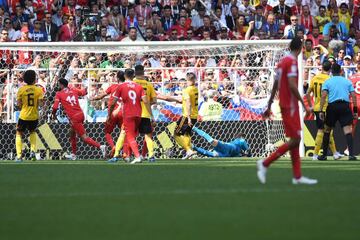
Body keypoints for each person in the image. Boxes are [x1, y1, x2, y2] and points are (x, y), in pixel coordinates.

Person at [258, 37, 318, 185]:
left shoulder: (281, 62)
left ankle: (297, 176)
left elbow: (275, 85)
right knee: (296, 139)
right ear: (301, 47)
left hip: (283, 104)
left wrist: (270, 103)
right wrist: (303, 106)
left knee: (295, 141)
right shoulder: (291, 62)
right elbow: (292, 85)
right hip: (290, 105)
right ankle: (265, 163)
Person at [52, 78, 106, 160]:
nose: (58, 85)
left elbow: (55, 107)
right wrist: (87, 87)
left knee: (84, 138)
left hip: (74, 117)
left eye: (58, 84)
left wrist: (53, 114)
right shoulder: (73, 90)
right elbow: (84, 92)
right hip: (81, 114)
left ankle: (101, 146)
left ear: (61, 85)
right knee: (71, 133)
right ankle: (73, 154)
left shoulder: (59, 94)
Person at [108, 68, 152, 164]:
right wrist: (151, 114)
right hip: (138, 114)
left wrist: (110, 114)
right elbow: (146, 101)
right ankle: (127, 155)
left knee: (129, 135)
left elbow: (113, 102)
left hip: (128, 114)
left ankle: (136, 156)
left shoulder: (121, 86)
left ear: (124, 76)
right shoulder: (139, 87)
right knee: (130, 135)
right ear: (133, 76)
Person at [318, 63, 358, 161]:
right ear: (341, 71)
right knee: (348, 131)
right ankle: (351, 155)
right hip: (344, 106)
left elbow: (323, 96)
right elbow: (353, 96)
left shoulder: (328, 81)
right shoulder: (347, 81)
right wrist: (355, 110)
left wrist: (321, 110)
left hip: (332, 107)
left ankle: (324, 155)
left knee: (327, 130)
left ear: (331, 71)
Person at [305, 61, 342, 160]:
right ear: (330, 69)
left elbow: (307, 93)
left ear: (321, 67)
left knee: (325, 130)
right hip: (327, 107)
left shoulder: (314, 78)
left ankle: (334, 153)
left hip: (317, 108)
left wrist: (311, 105)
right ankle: (316, 154)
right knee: (325, 130)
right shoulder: (330, 79)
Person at [158, 73, 198, 159]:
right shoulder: (195, 89)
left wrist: (188, 117)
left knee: (176, 134)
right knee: (187, 134)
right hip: (195, 115)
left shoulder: (187, 90)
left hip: (187, 116)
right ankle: (190, 154)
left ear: (187, 80)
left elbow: (188, 103)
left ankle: (188, 150)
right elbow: (185, 101)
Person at [89, 71, 125, 156]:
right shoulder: (127, 88)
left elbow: (101, 96)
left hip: (112, 113)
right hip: (123, 113)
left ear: (117, 78)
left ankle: (113, 147)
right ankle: (124, 152)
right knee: (123, 133)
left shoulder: (113, 86)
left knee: (107, 132)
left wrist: (93, 98)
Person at [15, 70, 44, 162]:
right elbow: (40, 104)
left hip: (23, 115)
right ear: (34, 79)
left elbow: (19, 105)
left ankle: (19, 156)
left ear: (24, 79)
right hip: (34, 116)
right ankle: (32, 152)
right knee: (32, 132)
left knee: (19, 133)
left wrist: (24, 107)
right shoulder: (38, 90)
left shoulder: (21, 90)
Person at [133, 65, 157, 161]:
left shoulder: (132, 83)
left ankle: (129, 155)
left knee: (130, 135)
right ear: (143, 72)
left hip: (133, 113)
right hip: (145, 113)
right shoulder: (149, 84)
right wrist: (145, 103)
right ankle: (151, 155)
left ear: (135, 72)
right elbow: (154, 101)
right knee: (148, 136)